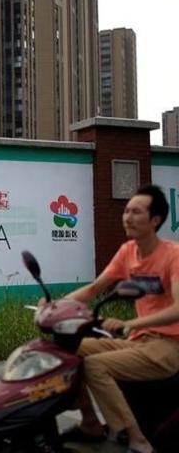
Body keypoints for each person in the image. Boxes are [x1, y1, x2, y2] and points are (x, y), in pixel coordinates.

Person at [57, 184, 179, 453]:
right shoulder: (127, 252)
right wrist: (56, 306)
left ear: (155, 220)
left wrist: (129, 324)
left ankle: (139, 440)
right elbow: (93, 289)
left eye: (136, 212)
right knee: (66, 349)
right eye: (126, 211)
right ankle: (90, 423)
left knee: (95, 366)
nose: (127, 217)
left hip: (169, 347)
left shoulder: (173, 255)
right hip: (138, 342)